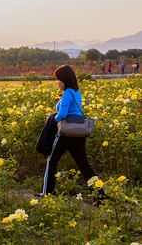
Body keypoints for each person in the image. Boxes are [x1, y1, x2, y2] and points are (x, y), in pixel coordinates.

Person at [36, 65, 100, 197]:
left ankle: (47, 193)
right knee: (84, 165)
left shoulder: (67, 93)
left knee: (51, 161)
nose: (57, 82)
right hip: (79, 133)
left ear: (65, 79)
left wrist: (53, 119)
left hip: (66, 133)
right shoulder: (77, 92)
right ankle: (100, 195)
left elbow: (62, 114)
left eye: (59, 79)